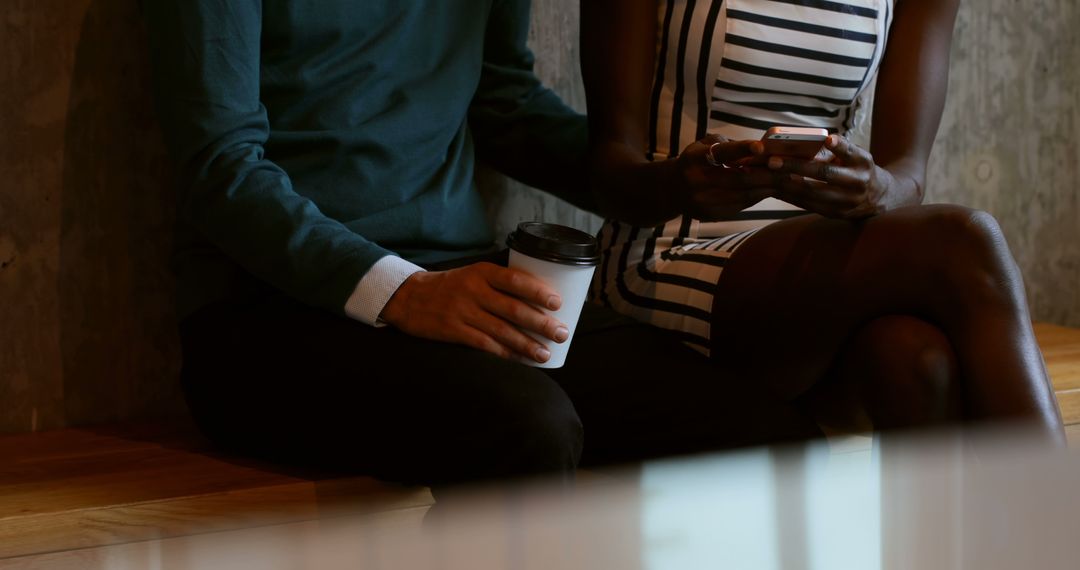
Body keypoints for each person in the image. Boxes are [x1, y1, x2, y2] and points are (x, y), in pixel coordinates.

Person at [141, 0, 828, 493]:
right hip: (263, 315)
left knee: (768, 441)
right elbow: (219, 168)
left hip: (459, 285)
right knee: (530, 428)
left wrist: (667, 181)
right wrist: (405, 293)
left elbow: (505, 106)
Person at [581, 0, 1064, 438]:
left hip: (826, 271)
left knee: (915, 360)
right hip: (667, 253)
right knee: (964, 240)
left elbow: (908, 179)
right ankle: (1060, 528)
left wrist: (875, 188)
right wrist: (680, 183)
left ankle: (979, 535)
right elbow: (608, 171)